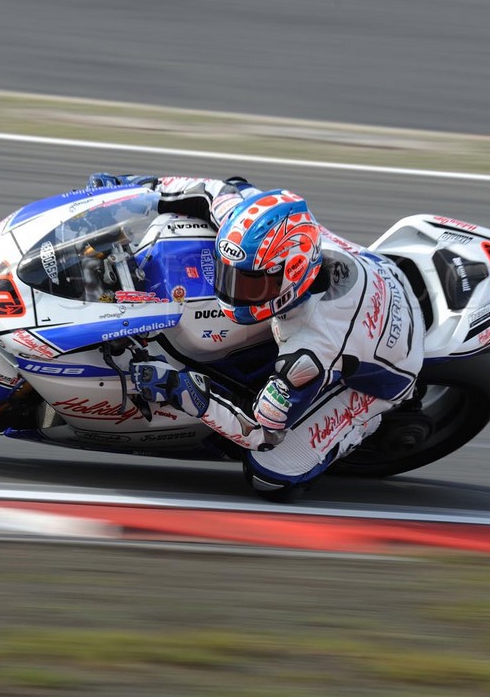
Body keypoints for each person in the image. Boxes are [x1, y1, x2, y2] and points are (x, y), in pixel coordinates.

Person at [87, 173, 425, 500]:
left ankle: (360, 427)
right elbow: (215, 190)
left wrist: (181, 389)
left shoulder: (310, 349)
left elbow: (262, 433)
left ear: (293, 275)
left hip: (387, 371)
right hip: (376, 271)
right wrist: (132, 188)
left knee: (270, 475)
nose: (232, 291)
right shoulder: (273, 236)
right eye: (228, 273)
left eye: (251, 284)